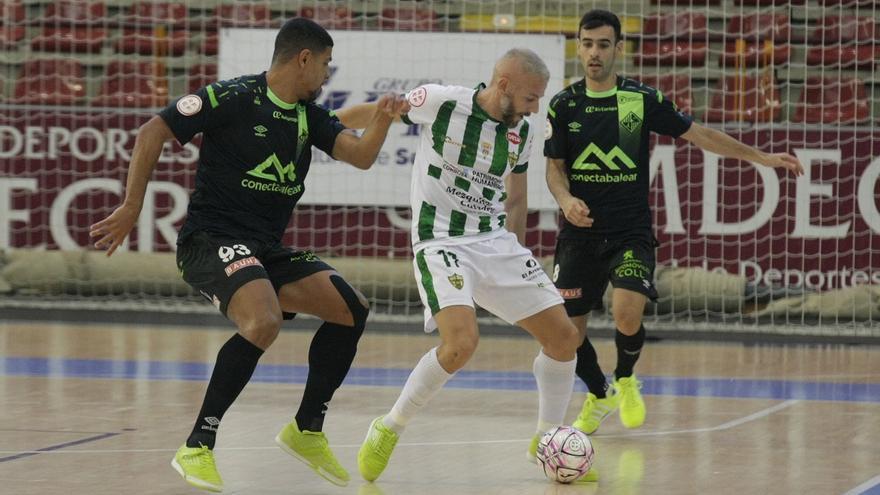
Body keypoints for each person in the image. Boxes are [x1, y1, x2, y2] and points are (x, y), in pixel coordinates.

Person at [89, 18, 408, 492]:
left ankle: (306, 430)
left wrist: (383, 118)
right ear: (303, 59)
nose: (325, 75)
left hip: (264, 250)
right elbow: (153, 130)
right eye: (324, 65)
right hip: (209, 241)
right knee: (263, 321)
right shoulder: (232, 97)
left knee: (350, 309)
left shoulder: (308, 115)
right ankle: (197, 444)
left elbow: (360, 157)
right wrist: (133, 205)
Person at [336, 48, 591, 484]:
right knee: (460, 344)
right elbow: (378, 110)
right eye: (531, 97)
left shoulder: (524, 129)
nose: (535, 108)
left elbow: (516, 197)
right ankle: (389, 426)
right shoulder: (441, 102)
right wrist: (319, 128)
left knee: (565, 338)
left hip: (495, 242)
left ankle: (546, 437)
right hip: (441, 241)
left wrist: (517, 262)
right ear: (504, 84)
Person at [544, 9, 804, 435]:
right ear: (579, 46)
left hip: (629, 231)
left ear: (618, 49)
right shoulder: (564, 103)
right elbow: (555, 168)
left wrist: (762, 157)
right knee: (565, 335)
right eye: (587, 44)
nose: (594, 53)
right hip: (579, 235)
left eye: (603, 44)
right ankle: (599, 391)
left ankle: (626, 378)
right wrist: (565, 197)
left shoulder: (638, 100)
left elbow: (701, 135)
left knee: (627, 313)